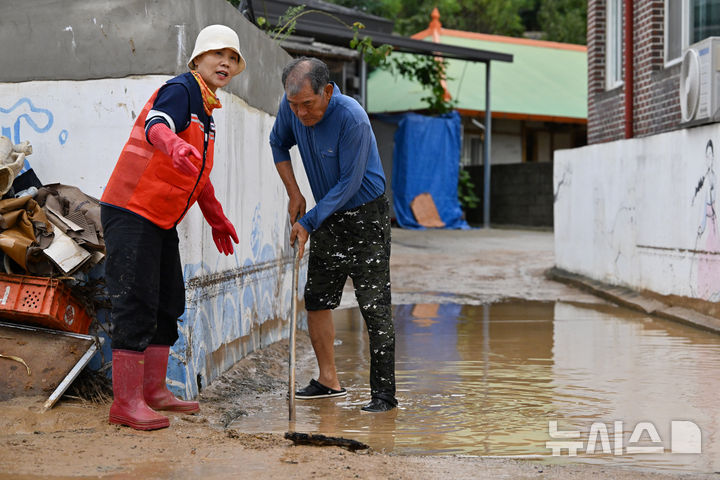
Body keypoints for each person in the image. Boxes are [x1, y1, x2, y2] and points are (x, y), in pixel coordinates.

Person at [100, 25, 244, 430]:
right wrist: (172, 143)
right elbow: (157, 124)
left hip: (159, 218)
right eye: (218, 54)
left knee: (168, 301)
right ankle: (125, 403)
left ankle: (154, 391)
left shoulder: (207, 111)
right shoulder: (181, 90)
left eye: (232, 59)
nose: (226, 63)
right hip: (131, 210)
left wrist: (217, 218)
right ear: (197, 60)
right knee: (135, 300)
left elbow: (198, 176)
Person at [269, 57, 397, 412]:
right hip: (326, 215)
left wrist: (308, 220)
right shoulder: (291, 107)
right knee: (318, 298)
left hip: (365, 216)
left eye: (307, 105)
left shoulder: (352, 117)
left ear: (327, 92)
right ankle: (329, 381)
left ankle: (384, 395)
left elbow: (349, 184)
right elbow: (277, 143)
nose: (300, 114)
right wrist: (294, 192)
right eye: (294, 106)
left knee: (373, 305)